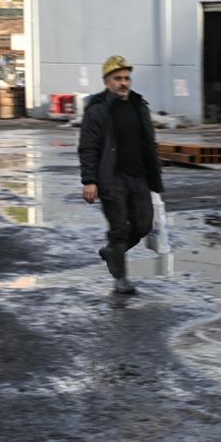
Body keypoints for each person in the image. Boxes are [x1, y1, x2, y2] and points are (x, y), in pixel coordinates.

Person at [77, 55, 164, 295]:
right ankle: (121, 278)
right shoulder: (97, 110)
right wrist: (90, 181)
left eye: (126, 78)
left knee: (144, 224)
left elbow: (149, 143)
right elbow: (88, 147)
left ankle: (112, 252)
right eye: (118, 78)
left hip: (138, 176)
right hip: (111, 177)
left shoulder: (139, 105)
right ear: (107, 82)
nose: (123, 83)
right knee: (119, 228)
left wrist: (155, 174)